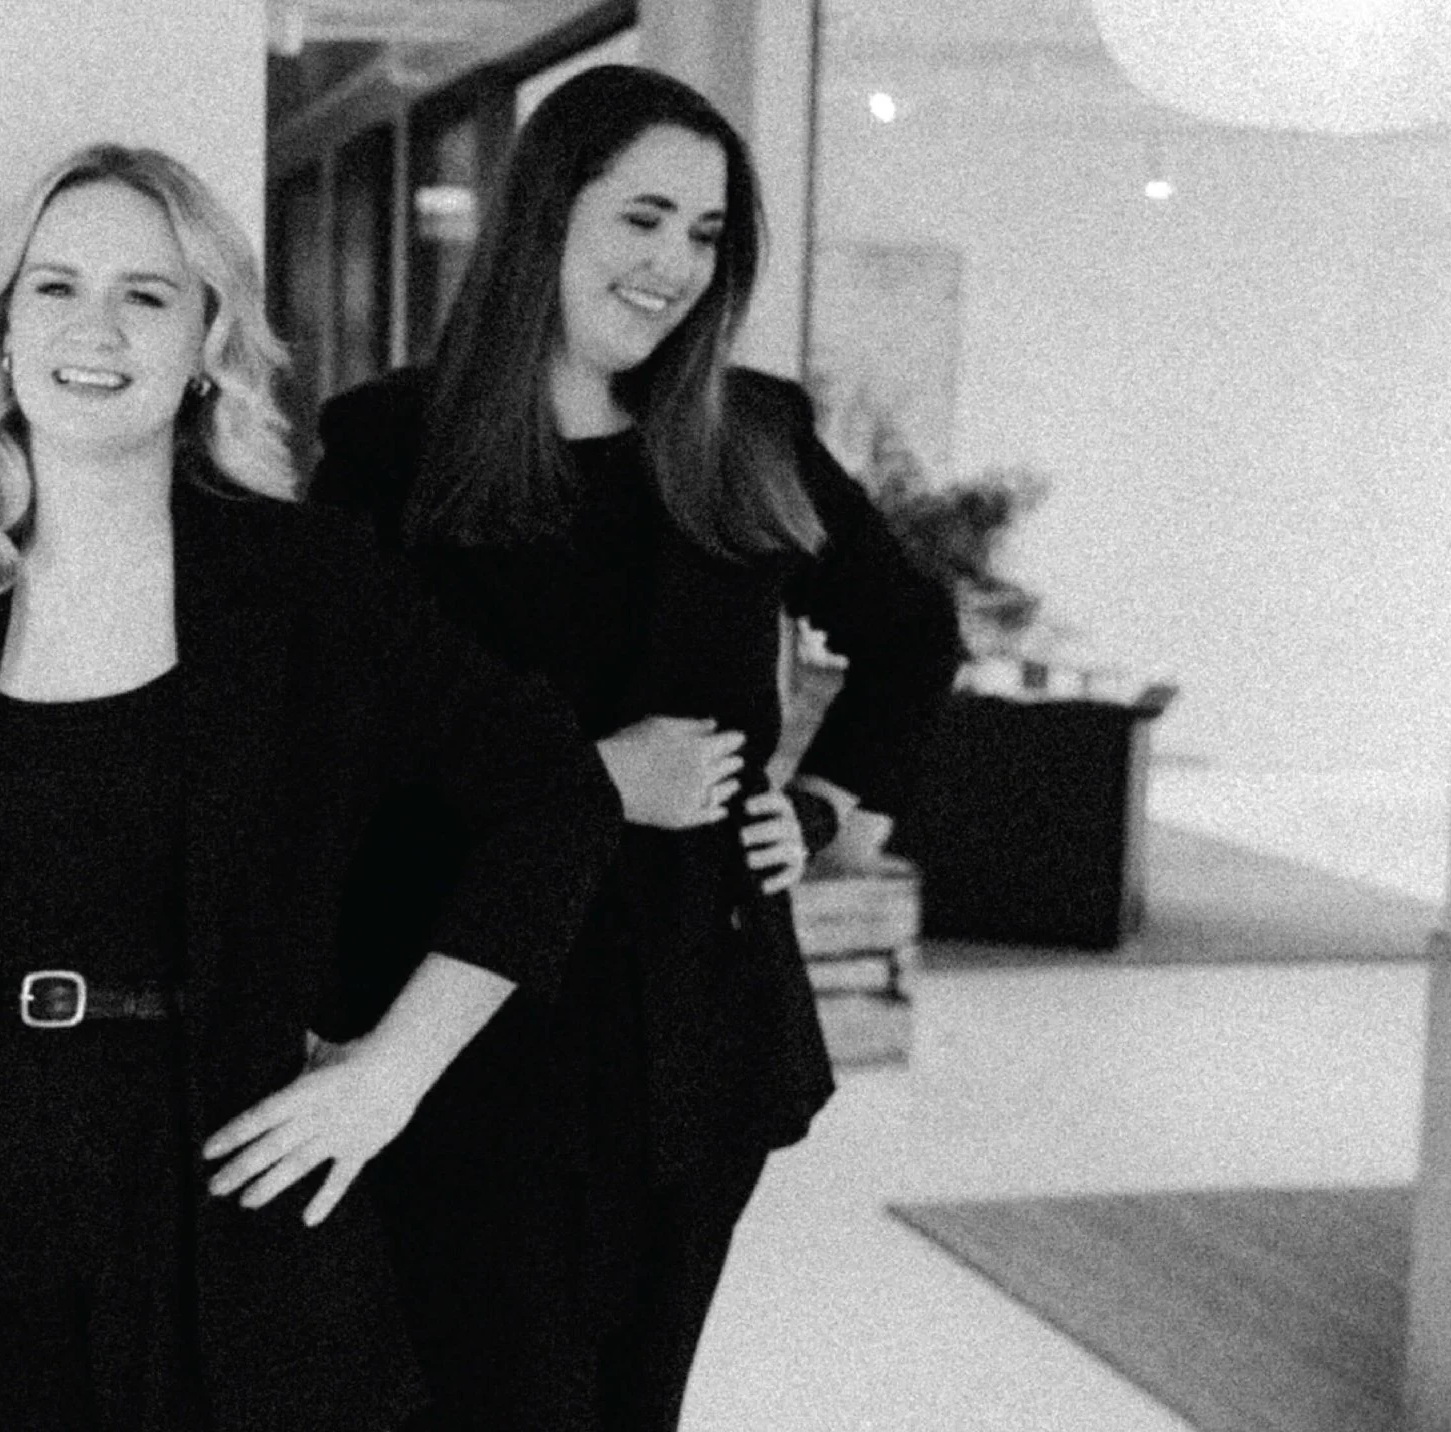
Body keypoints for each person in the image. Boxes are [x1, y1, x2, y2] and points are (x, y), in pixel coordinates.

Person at [0, 143, 620, 1432]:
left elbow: (555, 797)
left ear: (207, 339)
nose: (92, 328)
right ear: (3, 333)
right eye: (53, 289)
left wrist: (390, 1075)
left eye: (147, 296)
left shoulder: (308, 585)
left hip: (238, 1185)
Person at [311, 67, 966, 1432]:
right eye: (644, 218)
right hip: (476, 1036)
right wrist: (597, 778)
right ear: (549, 213)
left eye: (709, 233)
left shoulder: (753, 436)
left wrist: (830, 806)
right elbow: (338, 749)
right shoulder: (391, 447)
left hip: (701, 1040)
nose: (676, 263)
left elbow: (909, 635)